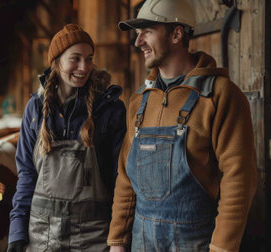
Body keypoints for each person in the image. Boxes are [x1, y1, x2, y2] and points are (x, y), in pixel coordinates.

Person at [107, 0, 258, 251]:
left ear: (176, 34)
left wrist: (221, 247)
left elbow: (239, 178)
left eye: (147, 31)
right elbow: (126, 178)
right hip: (140, 242)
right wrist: (117, 240)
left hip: (195, 242)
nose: (138, 42)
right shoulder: (138, 102)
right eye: (137, 34)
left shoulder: (220, 96)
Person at [8, 24, 127, 251]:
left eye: (89, 58)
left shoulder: (109, 109)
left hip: (95, 238)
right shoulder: (35, 109)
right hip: (42, 239)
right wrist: (17, 233)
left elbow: (121, 179)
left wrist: (119, 239)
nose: (84, 67)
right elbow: (26, 175)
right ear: (57, 61)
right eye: (75, 58)